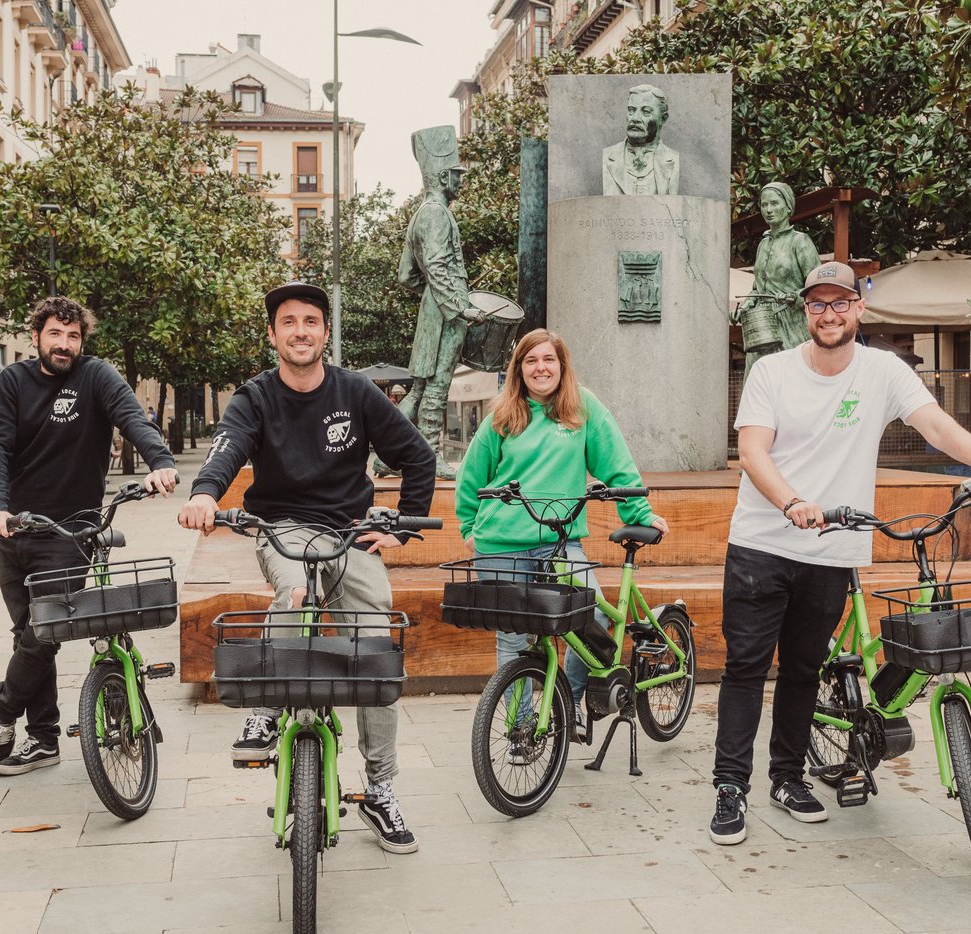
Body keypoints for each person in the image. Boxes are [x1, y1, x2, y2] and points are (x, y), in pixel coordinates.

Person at [708, 261, 971, 846]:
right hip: (763, 542)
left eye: (839, 303)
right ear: (804, 311)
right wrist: (791, 503)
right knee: (746, 667)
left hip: (833, 551)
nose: (828, 314)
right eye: (817, 305)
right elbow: (754, 452)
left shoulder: (882, 370)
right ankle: (730, 789)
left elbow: (935, 425)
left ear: (859, 309)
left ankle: (787, 778)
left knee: (804, 669)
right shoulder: (771, 372)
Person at [179, 280, 437, 853]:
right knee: (292, 592)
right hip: (282, 527)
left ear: (325, 332)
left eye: (311, 321)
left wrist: (404, 525)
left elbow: (418, 456)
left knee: (376, 653)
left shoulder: (356, 392)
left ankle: (382, 791)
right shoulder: (255, 396)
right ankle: (266, 711)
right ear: (273, 334)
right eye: (289, 322)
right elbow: (227, 446)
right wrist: (203, 494)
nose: (301, 331)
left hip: (350, 531)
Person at [0, 296, 178, 776]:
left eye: (73, 336)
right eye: (55, 334)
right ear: (37, 338)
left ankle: (4, 708)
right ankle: (44, 739)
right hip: (18, 528)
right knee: (28, 634)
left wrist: (161, 462)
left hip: (70, 531)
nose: (64, 344)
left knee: (43, 632)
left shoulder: (97, 377)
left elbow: (133, 418)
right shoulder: (13, 382)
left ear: (82, 341)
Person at [455, 329, 668, 740]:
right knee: (513, 639)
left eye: (548, 359)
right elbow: (471, 478)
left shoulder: (582, 409)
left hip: (559, 541)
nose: (540, 368)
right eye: (531, 360)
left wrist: (640, 511)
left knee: (595, 615)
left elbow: (617, 467)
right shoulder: (503, 414)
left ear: (561, 365)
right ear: (519, 369)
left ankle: (567, 702)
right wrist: (469, 527)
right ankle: (519, 730)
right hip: (500, 545)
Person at [397, 125, 484, 477]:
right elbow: (433, 265)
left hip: (435, 308)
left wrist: (433, 298)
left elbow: (407, 275)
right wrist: (457, 306)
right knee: (435, 386)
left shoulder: (421, 213)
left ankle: (389, 455)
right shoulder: (435, 213)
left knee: (418, 389)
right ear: (444, 175)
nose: (461, 183)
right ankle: (430, 456)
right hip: (448, 314)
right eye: (458, 176)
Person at [738, 181, 821, 379]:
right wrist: (747, 304)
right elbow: (757, 288)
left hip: (792, 324)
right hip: (762, 326)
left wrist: (796, 297)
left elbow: (817, 288)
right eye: (764, 205)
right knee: (756, 382)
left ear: (788, 206)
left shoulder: (800, 241)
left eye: (774, 203)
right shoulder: (763, 244)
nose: (768, 210)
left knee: (791, 382)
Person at [602, 84, 679, 196]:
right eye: (631, 110)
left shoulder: (672, 159)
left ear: (663, 118)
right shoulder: (609, 156)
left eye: (646, 112)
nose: (635, 118)